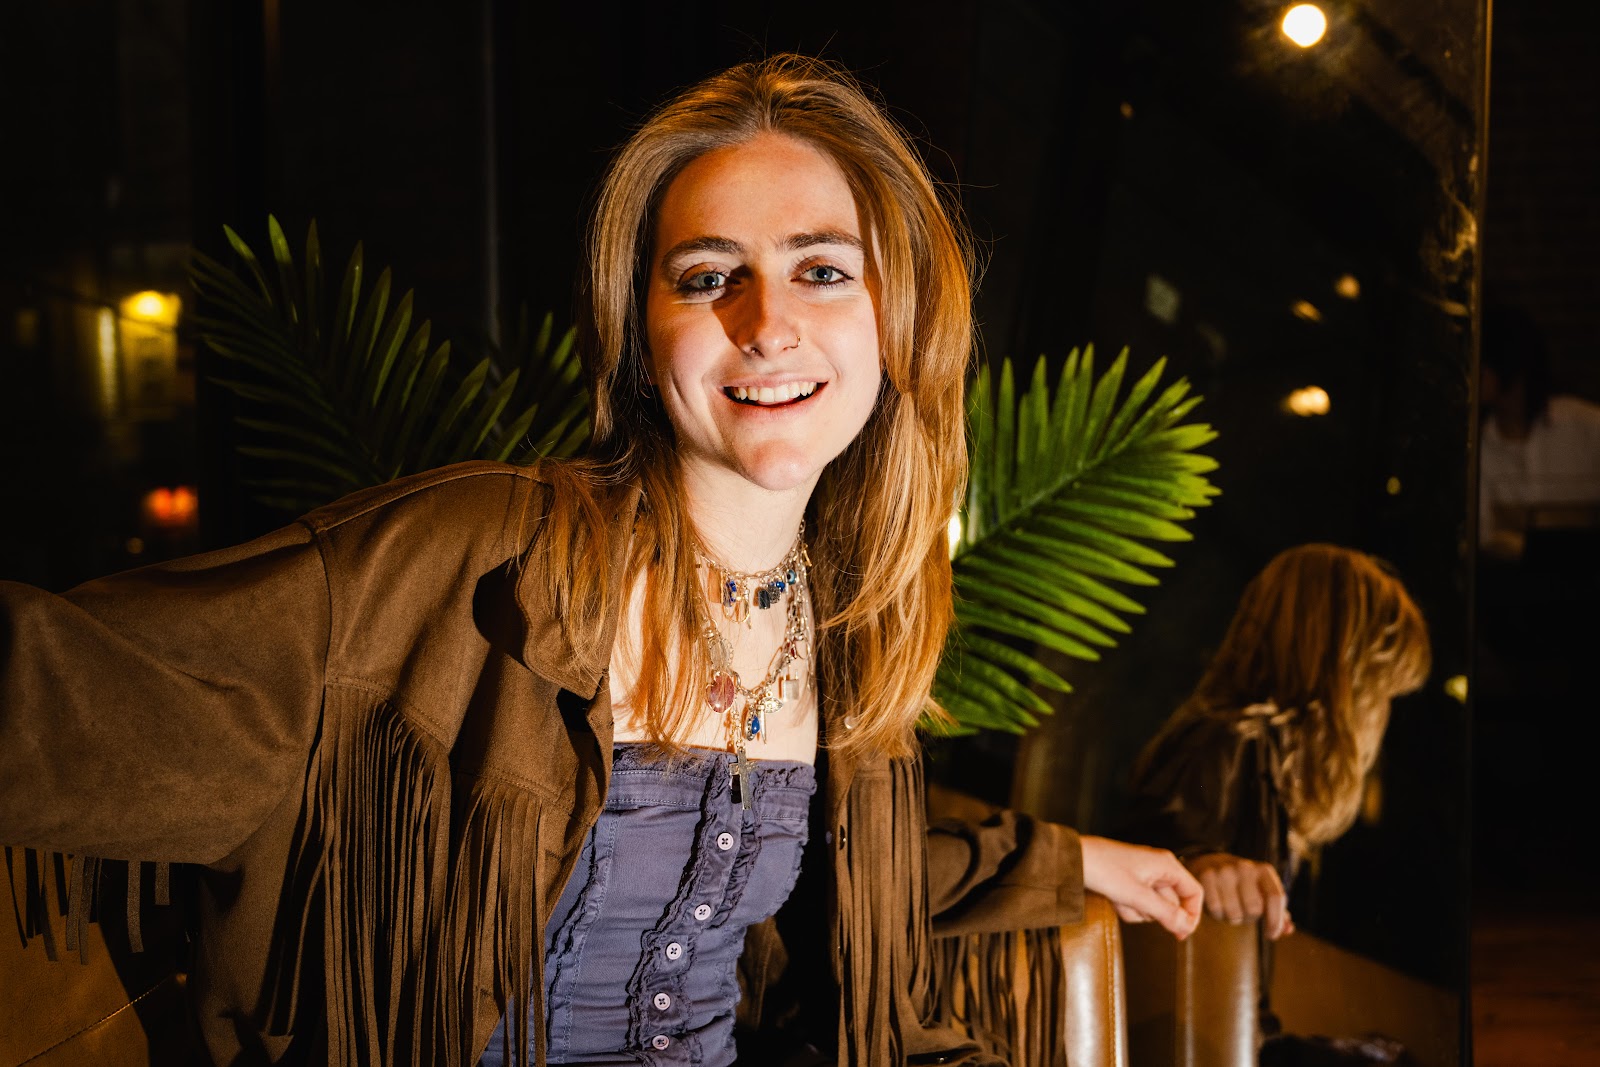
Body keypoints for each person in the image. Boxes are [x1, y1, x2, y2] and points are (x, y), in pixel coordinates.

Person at [1, 56, 1201, 1067]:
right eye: (707, 275)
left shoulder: (845, 632)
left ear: (897, 322)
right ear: (643, 334)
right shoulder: (472, 561)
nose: (766, 319)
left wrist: (1084, 858)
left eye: (822, 268)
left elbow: (849, 870)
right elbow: (67, 695)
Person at [1121, 544, 1430, 1041]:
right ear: (1341, 672)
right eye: (1381, 687)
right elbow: (1150, 855)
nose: (1381, 714)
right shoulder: (1228, 744)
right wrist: (1199, 862)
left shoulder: (1270, 768)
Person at [1477, 304, 1600, 560]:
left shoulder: (1583, 426)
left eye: (1484, 363)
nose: (1475, 372)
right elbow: (1484, 539)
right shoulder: (1481, 447)